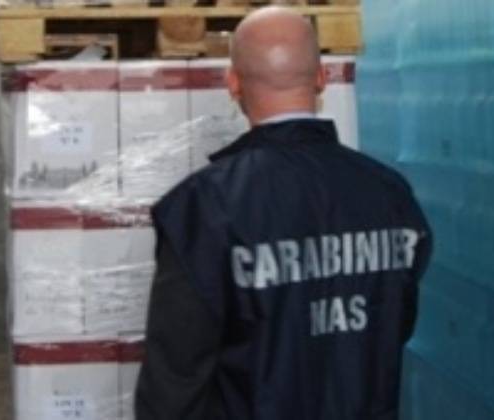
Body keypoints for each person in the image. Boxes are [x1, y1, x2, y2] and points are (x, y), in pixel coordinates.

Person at [135, 6, 432, 420]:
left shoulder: (202, 210)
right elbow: (395, 325)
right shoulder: (390, 194)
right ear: (321, 78)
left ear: (233, 83)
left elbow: (174, 383)